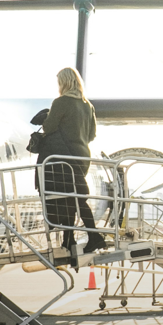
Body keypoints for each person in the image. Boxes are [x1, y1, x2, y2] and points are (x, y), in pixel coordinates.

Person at [38, 67, 107, 252]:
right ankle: (69, 240)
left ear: (64, 82)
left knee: (74, 198)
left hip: (64, 158)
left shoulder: (61, 102)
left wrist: (45, 120)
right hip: (83, 156)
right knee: (72, 197)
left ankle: (94, 236)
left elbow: (49, 128)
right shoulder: (87, 105)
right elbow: (92, 135)